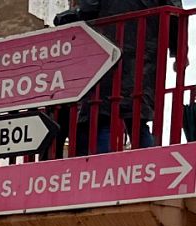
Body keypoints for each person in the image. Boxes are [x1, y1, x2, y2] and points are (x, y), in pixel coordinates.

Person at [56, 0, 182, 154]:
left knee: (103, 118)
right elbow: (175, 16)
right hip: (145, 61)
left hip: (109, 57)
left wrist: (66, 17)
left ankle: (103, 166)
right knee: (137, 120)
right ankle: (149, 164)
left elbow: (89, 8)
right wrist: (179, 53)